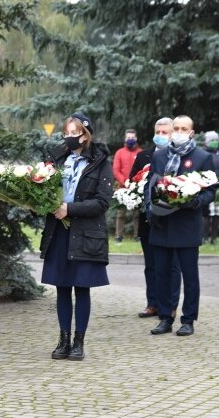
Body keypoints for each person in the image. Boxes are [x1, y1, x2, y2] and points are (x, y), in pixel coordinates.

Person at [41, 112, 114, 360]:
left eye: (76, 133)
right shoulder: (56, 159)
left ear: (86, 134)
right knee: (62, 288)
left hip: (86, 234)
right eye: (67, 133)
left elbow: (103, 202)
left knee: (82, 288)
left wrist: (69, 209)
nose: (71, 137)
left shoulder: (101, 161)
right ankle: (63, 339)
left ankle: (78, 341)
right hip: (59, 232)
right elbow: (42, 188)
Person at [144, 115, 215, 337]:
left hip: (186, 224)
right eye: (176, 128)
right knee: (162, 274)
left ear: (192, 132)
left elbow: (211, 191)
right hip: (161, 223)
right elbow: (150, 185)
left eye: (184, 129)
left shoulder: (203, 157)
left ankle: (188, 319)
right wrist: (149, 207)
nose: (179, 132)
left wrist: (196, 201)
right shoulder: (159, 155)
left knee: (189, 276)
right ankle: (165, 317)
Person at [131, 118, 181, 319]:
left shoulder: (178, 156)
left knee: (172, 265)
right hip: (148, 217)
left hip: (173, 218)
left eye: (165, 132)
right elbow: (131, 180)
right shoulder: (143, 156)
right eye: (158, 131)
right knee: (151, 263)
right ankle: (153, 303)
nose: (161, 135)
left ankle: (170, 305)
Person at [112, 129, 142, 242]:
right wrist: (125, 182)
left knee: (137, 214)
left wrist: (135, 183)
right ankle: (118, 236)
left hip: (136, 187)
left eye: (132, 137)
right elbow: (116, 170)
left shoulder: (140, 152)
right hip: (122, 187)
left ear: (136, 138)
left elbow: (143, 170)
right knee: (121, 213)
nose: (130, 139)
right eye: (128, 137)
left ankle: (137, 235)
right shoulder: (120, 152)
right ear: (125, 138)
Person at [201, 131, 219, 245]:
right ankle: (204, 236)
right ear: (206, 141)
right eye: (212, 140)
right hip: (206, 186)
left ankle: (214, 237)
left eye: (216, 140)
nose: (214, 142)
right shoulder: (202, 153)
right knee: (206, 213)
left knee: (217, 213)